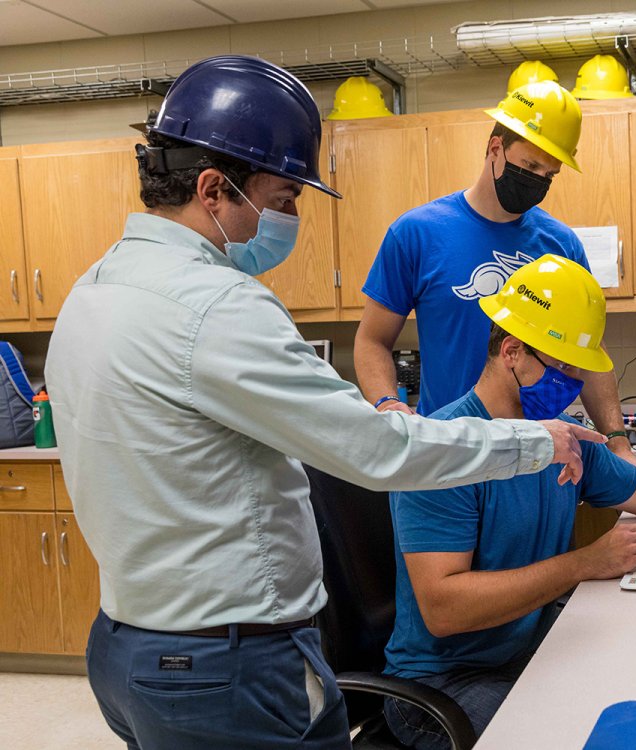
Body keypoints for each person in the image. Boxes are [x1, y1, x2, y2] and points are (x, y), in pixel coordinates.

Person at [43, 55, 603, 750]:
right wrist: (538, 441)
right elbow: (376, 451)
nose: (289, 220)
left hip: (129, 650)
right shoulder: (217, 306)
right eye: (282, 199)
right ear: (215, 188)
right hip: (228, 665)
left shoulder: (92, 288)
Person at [381, 255, 636, 748]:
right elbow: (445, 610)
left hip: (531, 645)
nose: (570, 383)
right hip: (442, 685)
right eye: (560, 366)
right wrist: (586, 562)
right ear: (512, 351)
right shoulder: (444, 451)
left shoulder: (561, 437)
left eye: (576, 370)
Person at [354, 80, 636, 473]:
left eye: (550, 173)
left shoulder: (561, 245)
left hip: (540, 454)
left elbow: (589, 355)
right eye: (530, 167)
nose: (538, 181)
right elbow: (372, 339)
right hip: (448, 453)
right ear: (495, 148)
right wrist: (387, 405)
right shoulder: (417, 234)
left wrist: (617, 441)